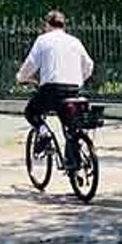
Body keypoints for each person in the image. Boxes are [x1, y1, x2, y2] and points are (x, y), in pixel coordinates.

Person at [16, 10, 94, 152]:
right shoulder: (74, 41)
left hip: (52, 90)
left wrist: (21, 78)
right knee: (70, 124)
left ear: (47, 25)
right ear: (63, 25)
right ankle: (74, 158)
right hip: (73, 90)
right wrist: (79, 80)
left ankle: (44, 133)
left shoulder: (43, 40)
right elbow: (89, 65)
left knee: (31, 111)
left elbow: (31, 64)